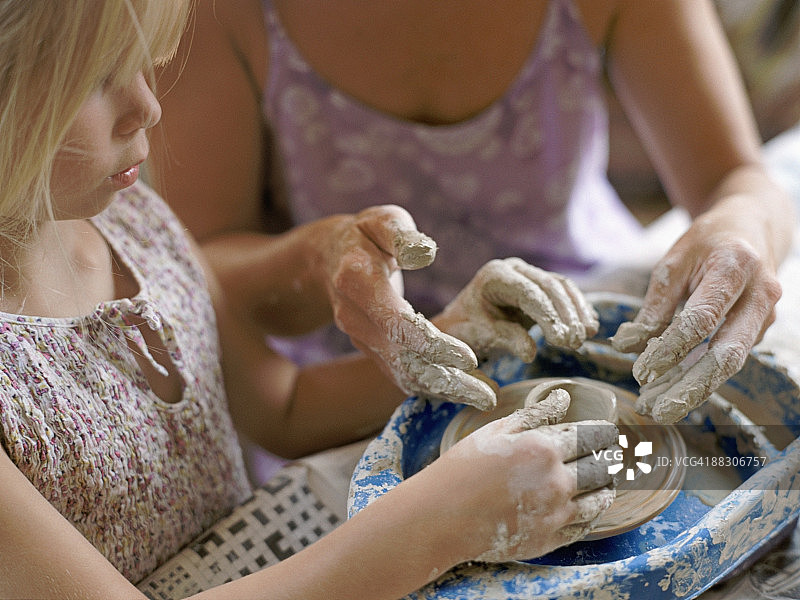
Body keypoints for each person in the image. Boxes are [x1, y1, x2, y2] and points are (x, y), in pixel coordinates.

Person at [0, 2, 619, 597]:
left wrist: (453, 338)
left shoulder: (136, 226)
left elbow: (285, 409)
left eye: (144, 63)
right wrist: (439, 525)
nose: (148, 106)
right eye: (97, 77)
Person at [150, 0, 795, 426]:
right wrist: (325, 257)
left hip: (584, 309)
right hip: (355, 369)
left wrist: (741, 225)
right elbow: (197, 262)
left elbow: (734, 177)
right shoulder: (216, 12)